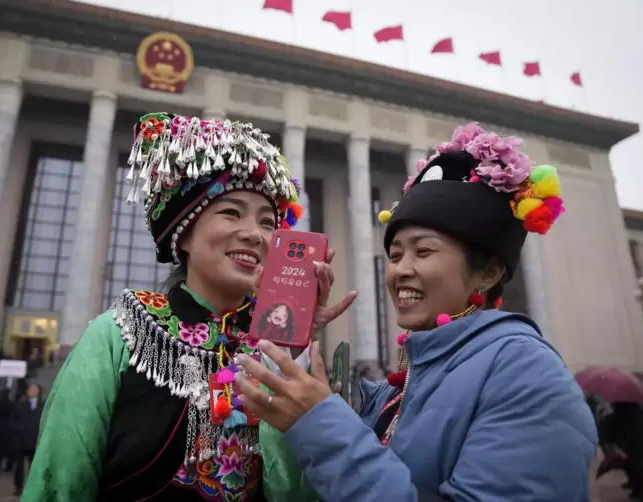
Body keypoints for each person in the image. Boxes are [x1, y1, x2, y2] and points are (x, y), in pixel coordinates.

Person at [235, 122, 598, 501]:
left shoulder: (525, 371)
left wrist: (319, 424)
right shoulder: (404, 382)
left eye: (423, 251)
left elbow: (335, 438)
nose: (399, 271)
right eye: (394, 255)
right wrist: (295, 331)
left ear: (488, 272)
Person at [21, 113, 354, 501]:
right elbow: (60, 478)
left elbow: (295, 491)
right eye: (231, 213)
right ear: (183, 235)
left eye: (268, 223)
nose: (254, 234)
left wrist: (288, 352)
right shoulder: (123, 333)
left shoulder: (273, 351)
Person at [601, 401, 643, 501]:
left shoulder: (630, 410)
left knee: (637, 468)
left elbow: (622, 422)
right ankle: (637, 489)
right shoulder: (631, 409)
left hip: (634, 444)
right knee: (631, 467)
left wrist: (609, 418)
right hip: (631, 443)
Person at [12, 384, 44, 495]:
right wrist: (19, 429)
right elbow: (13, 420)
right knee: (19, 467)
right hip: (22, 440)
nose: (32, 391)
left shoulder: (43, 406)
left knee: (34, 466)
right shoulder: (20, 406)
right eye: (30, 389)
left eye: (34, 389)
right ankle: (18, 488)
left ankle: (33, 487)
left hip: (35, 440)